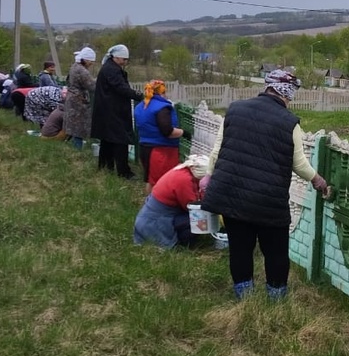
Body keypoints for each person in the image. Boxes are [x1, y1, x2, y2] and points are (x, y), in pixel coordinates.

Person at [202, 69, 328, 299]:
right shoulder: (289, 122)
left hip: (232, 194)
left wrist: (208, 177)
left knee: (240, 249)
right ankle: (276, 299)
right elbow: (299, 164)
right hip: (267, 201)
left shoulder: (235, 110)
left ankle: (245, 298)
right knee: (275, 252)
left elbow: (216, 152)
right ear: (286, 93)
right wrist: (318, 180)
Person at [133, 156, 209, 248]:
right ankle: (184, 243)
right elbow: (191, 206)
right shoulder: (184, 180)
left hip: (151, 219)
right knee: (198, 220)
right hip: (156, 222)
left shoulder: (182, 171)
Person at [91, 44, 143, 179]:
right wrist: (140, 95)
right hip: (113, 110)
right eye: (124, 59)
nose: (126, 62)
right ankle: (124, 172)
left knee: (107, 139)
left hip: (106, 110)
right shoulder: (112, 71)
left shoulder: (108, 67)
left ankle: (105, 166)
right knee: (121, 140)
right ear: (117, 57)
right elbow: (121, 88)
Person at [133, 79, 184, 192]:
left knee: (151, 181)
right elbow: (167, 131)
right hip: (161, 151)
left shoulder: (141, 106)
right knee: (162, 183)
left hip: (144, 148)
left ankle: (149, 205)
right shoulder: (161, 108)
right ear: (162, 92)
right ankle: (158, 207)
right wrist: (183, 132)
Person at [64, 46, 97, 150]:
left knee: (74, 126)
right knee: (79, 127)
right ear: (85, 59)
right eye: (91, 61)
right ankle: (77, 149)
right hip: (78, 101)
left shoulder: (74, 67)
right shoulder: (82, 71)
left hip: (73, 98)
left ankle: (75, 147)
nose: (91, 63)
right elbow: (92, 86)